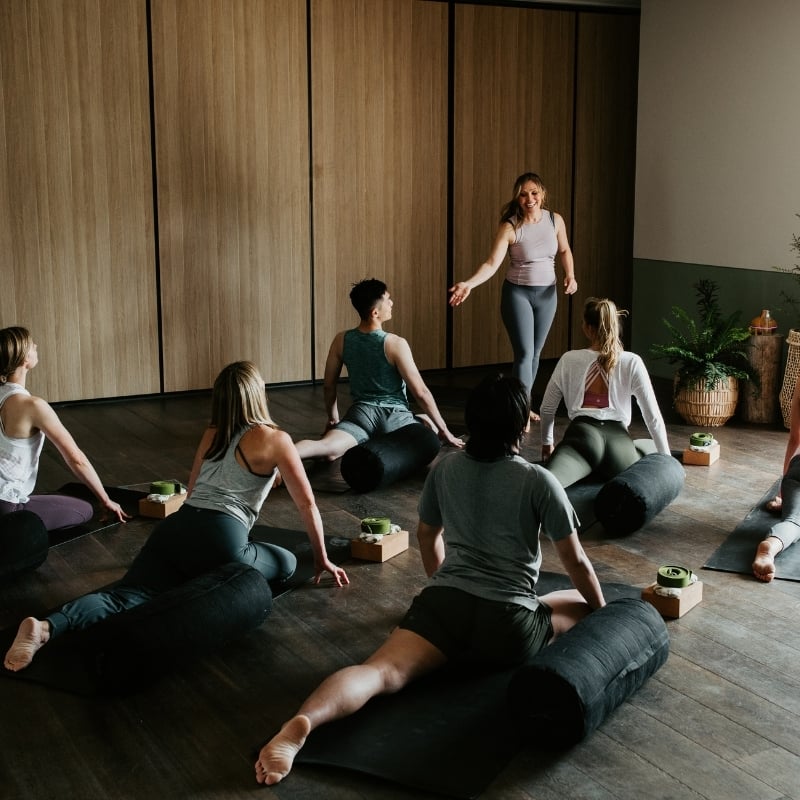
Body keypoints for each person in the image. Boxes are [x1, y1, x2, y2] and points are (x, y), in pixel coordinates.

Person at [254, 373, 606, 786]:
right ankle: (569, 615)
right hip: (507, 626)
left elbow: (426, 535)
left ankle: (303, 724)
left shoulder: (447, 467)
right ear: (521, 425)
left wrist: (443, 585)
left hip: (443, 605)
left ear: (472, 423)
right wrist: (603, 613)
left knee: (379, 672)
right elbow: (577, 562)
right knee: (575, 603)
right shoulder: (539, 481)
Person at [4, 361, 349, 672]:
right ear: (258, 395)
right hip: (224, 538)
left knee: (126, 595)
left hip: (176, 530)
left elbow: (195, 487)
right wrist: (321, 558)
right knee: (287, 562)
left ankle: (46, 626)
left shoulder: (212, 433)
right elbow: (307, 504)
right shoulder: (277, 439)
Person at [448, 172, 577, 419]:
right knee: (525, 353)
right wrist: (469, 284)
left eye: (534, 193)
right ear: (517, 198)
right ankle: (518, 412)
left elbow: (564, 250)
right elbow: (491, 264)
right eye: (523, 194)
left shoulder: (555, 220)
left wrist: (570, 275)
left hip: (548, 295)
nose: (529, 198)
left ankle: (524, 405)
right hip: (518, 295)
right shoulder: (510, 226)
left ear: (542, 194)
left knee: (536, 353)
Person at [294, 278, 462, 461]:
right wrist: (446, 431)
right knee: (431, 425)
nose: (391, 303)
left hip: (361, 416)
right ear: (375, 313)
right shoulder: (396, 343)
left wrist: (333, 419)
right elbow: (421, 392)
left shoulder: (341, 340)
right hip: (395, 418)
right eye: (387, 300)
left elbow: (329, 385)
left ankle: (280, 459)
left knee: (327, 449)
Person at [0, 326, 129, 531]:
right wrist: (106, 500)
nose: (36, 345)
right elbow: (75, 458)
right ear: (24, 358)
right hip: (6, 508)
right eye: (32, 344)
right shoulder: (33, 406)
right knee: (84, 510)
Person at [540, 297, 670, 488]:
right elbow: (653, 418)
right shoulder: (632, 361)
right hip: (619, 448)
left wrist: (547, 444)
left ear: (589, 329)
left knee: (547, 485)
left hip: (582, 440)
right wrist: (668, 463)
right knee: (648, 446)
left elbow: (546, 408)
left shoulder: (569, 359)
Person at [753, 375, 800, 582]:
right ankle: (769, 547)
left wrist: (782, 493)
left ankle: (770, 546)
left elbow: (795, 439)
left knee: (795, 521)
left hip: (796, 472)